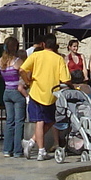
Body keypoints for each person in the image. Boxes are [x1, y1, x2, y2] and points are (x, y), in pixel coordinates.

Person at [19, 33, 71, 162]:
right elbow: (65, 78)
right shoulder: (58, 58)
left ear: (43, 44)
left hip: (36, 92)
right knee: (48, 120)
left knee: (40, 121)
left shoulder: (36, 55)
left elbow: (21, 70)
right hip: (51, 94)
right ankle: (40, 149)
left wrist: (27, 81)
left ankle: (33, 144)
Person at [0, 37, 27, 158]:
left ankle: (6, 149)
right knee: (19, 121)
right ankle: (17, 150)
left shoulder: (0, 61)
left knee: (9, 121)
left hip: (6, 92)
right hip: (16, 92)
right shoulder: (17, 61)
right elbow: (24, 75)